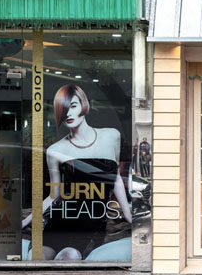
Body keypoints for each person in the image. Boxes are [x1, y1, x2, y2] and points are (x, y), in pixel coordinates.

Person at [22, 84, 132, 260]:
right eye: (63, 109)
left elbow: (115, 178)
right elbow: (54, 194)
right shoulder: (55, 150)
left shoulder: (111, 136)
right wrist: (26, 220)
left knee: (70, 256)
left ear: (84, 104)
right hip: (61, 219)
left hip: (91, 220)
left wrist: (127, 214)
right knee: (36, 257)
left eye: (73, 106)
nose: (68, 114)